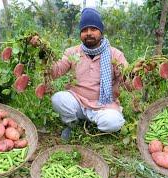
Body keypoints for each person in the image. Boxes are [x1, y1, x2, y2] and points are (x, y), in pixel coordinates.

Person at [49, 7, 128, 140]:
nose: (89, 33)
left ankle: (95, 122)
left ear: (101, 32)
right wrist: (43, 57)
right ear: (80, 33)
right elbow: (55, 71)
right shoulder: (72, 52)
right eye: (84, 30)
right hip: (77, 102)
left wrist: (133, 75)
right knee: (58, 99)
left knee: (113, 122)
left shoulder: (115, 54)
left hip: (104, 105)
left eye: (93, 29)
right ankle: (72, 124)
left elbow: (129, 84)